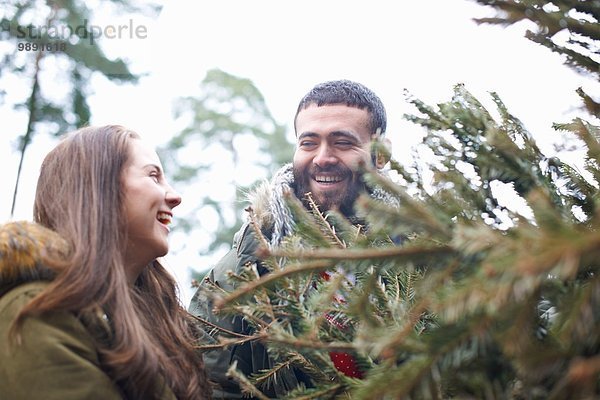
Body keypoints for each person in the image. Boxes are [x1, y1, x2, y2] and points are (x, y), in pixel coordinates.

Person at [189, 79, 396, 399]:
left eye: (342, 142)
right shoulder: (246, 265)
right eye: (309, 143)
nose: (322, 157)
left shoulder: (425, 256)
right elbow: (208, 383)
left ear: (380, 155)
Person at [0, 125, 212, 399]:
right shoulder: (33, 310)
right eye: (153, 176)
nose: (174, 196)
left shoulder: (162, 324)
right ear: (98, 187)